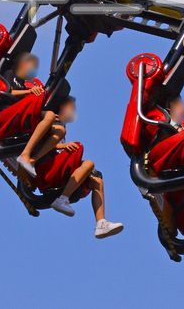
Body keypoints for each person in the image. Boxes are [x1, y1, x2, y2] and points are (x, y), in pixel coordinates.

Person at [33, 97, 123, 238]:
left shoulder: (62, 127)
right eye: (71, 107)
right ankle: (62, 199)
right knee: (79, 149)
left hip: (58, 170)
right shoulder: (53, 124)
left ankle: (101, 223)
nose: (74, 111)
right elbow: (42, 144)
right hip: (45, 169)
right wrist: (63, 146)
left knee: (96, 179)